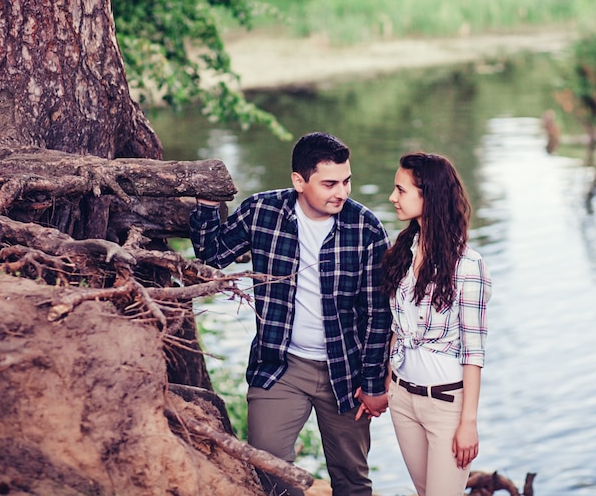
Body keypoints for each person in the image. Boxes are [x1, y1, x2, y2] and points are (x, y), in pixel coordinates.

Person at [189, 132, 392, 496]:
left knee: (352, 480)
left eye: (346, 181)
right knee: (269, 468)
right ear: (299, 181)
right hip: (281, 365)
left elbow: (378, 313)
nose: (341, 192)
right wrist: (206, 203)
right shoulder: (263, 212)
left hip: (345, 371)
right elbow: (212, 256)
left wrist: (374, 383)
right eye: (329, 183)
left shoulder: (366, 228)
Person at [381, 152, 492, 496]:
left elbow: (473, 352)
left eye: (401, 190)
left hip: (445, 405)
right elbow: (397, 327)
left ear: (427, 196)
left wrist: (468, 423)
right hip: (402, 398)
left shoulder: (468, 267)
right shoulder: (402, 251)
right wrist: (386, 382)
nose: (392, 197)